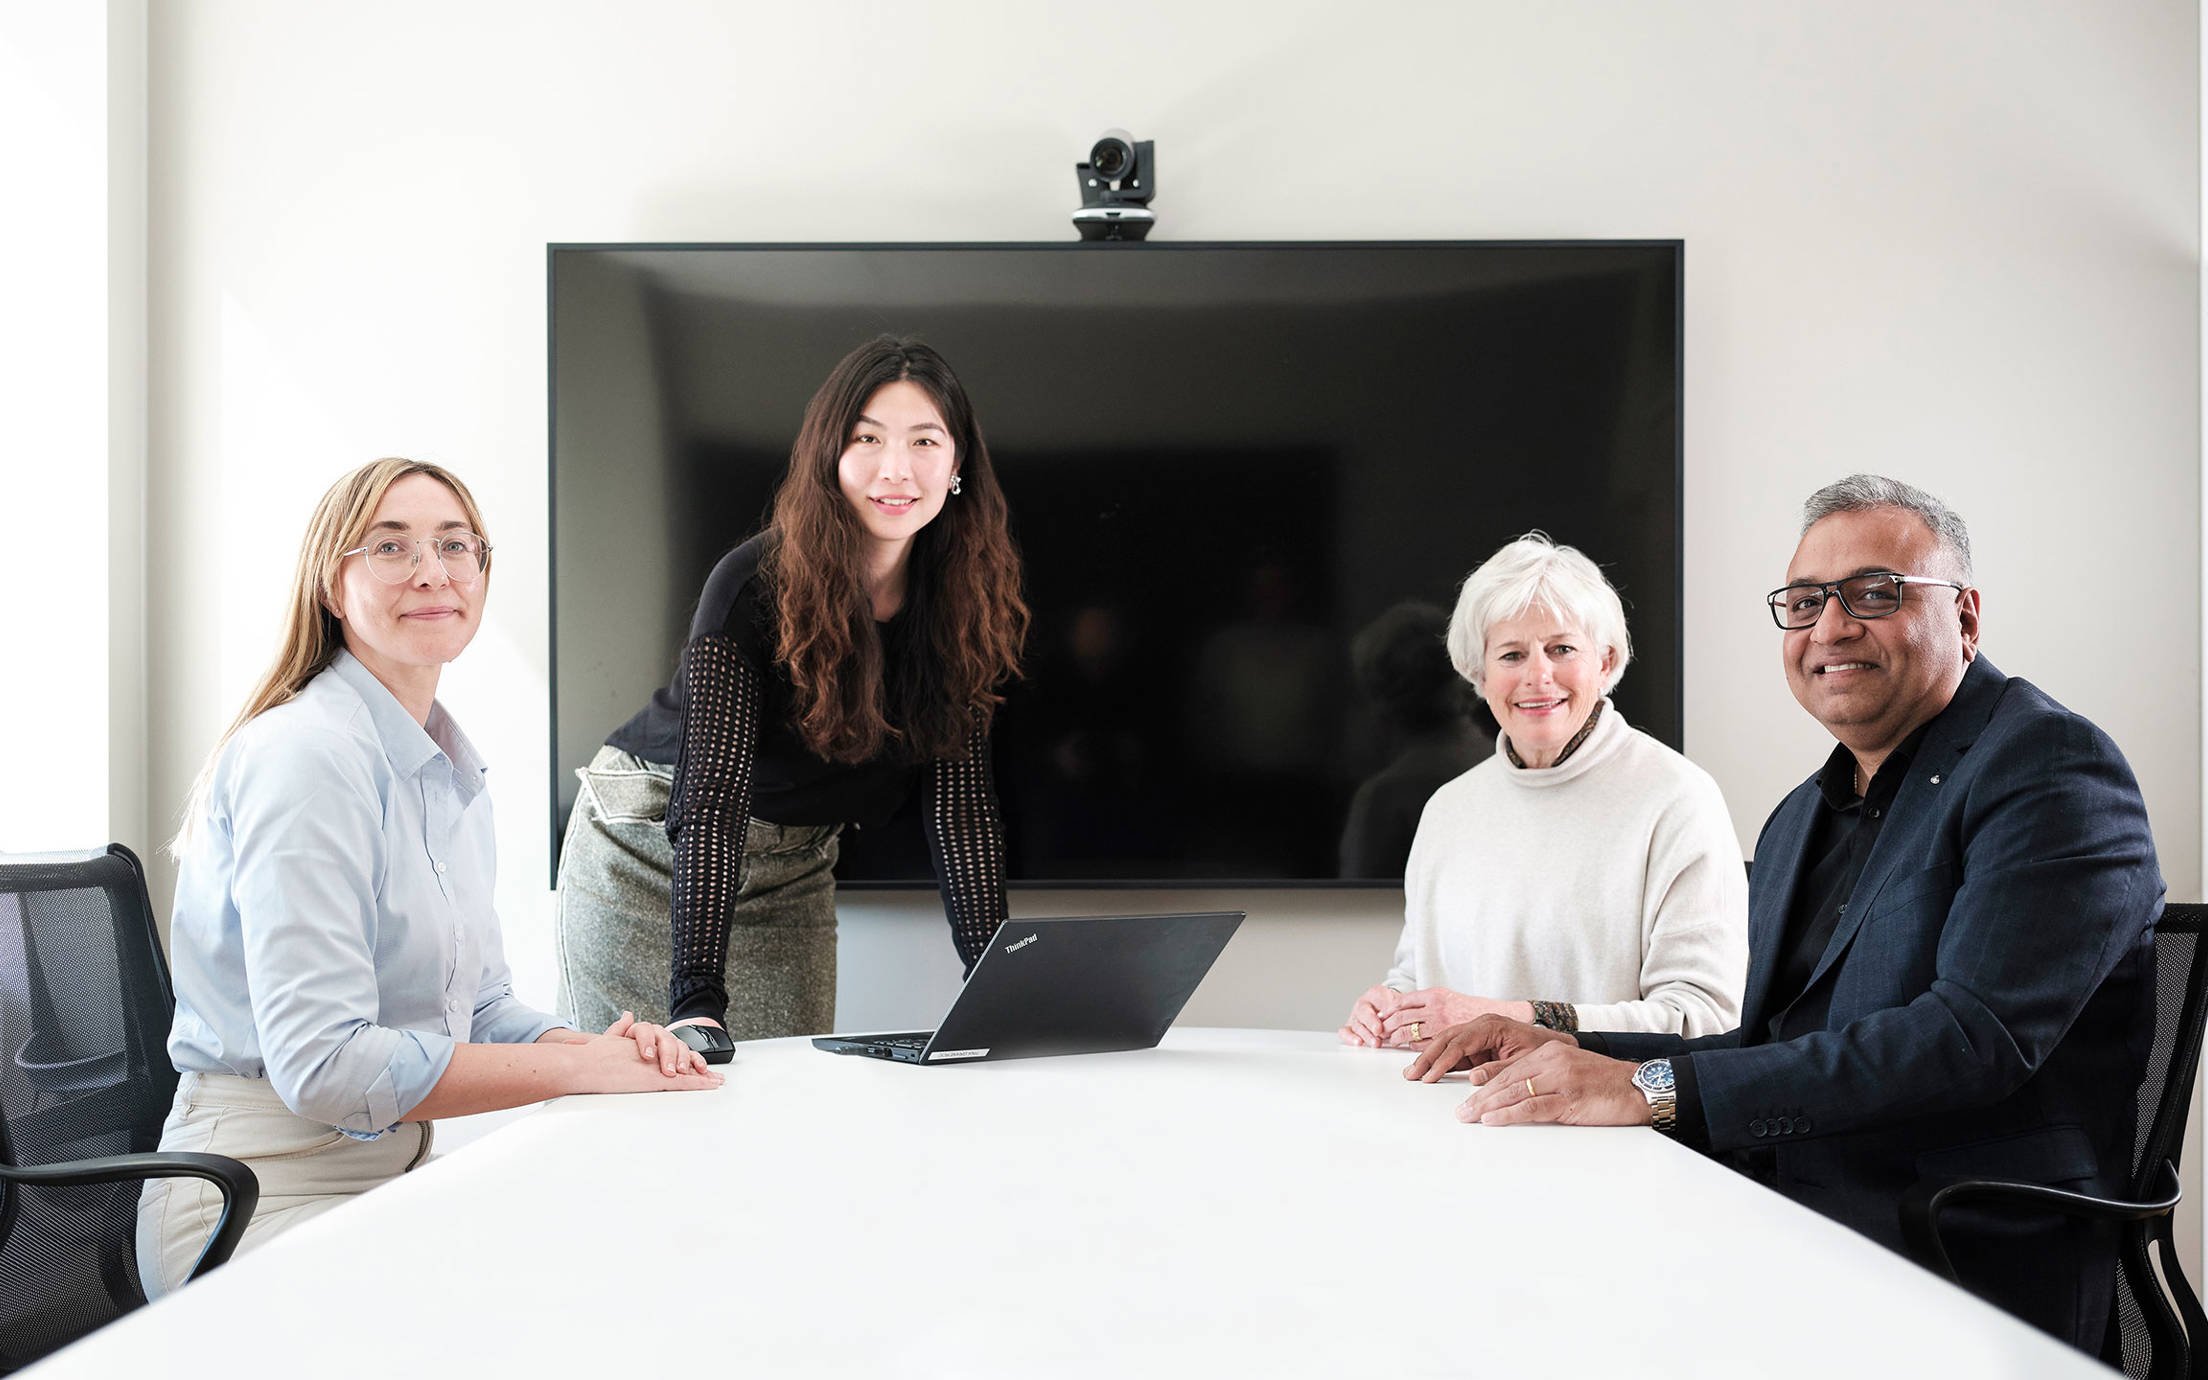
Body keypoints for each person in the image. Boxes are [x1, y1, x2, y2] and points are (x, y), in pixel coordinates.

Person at [1408, 475, 2161, 1353]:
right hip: (1783, 1220)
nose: (1831, 627)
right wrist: (1563, 1042)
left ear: (1964, 616)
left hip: (1955, 1255)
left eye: (1874, 593)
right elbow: (1768, 1044)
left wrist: (1648, 1090)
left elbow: (1966, 1041)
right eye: (1805, 602)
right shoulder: (1802, 814)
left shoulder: (2049, 767)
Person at [138, 458, 721, 1298]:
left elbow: (479, 1009)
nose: (431, 571)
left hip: (391, 1182)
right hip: (257, 1199)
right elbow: (324, 1064)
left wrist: (599, 1049)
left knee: (624, 1259)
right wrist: (579, 1072)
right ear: (332, 586)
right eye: (390, 546)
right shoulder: (307, 758)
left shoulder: (443, 769)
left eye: (455, 545)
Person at [556, 335, 1027, 1043]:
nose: (896, 468)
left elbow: (960, 811)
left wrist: (1001, 983)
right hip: (653, 844)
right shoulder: (752, 585)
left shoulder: (964, 598)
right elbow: (711, 801)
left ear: (957, 464)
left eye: (925, 441)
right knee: (636, 1088)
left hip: (793, 865)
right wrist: (696, 1001)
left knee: (790, 1097)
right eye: (868, 438)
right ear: (829, 454)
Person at [1339, 534, 1746, 1047]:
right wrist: (1390, 1009)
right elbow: (1419, 979)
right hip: (1450, 1098)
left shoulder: (1679, 799)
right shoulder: (1447, 809)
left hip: (1598, 1102)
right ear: (1479, 673)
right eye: (1511, 654)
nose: (1538, 676)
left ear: (1605, 662)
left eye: (1562, 649)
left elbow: (1703, 1018)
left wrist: (1508, 1020)